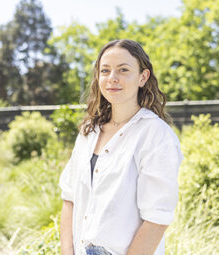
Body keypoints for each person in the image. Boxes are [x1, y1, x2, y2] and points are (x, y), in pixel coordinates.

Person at [59, 39, 184, 255]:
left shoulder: (155, 134)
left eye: (123, 70)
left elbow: (156, 219)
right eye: (105, 70)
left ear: (142, 77)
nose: (112, 78)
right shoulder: (89, 131)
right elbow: (69, 199)